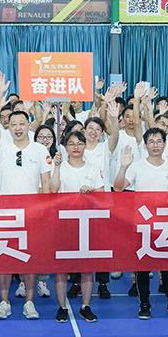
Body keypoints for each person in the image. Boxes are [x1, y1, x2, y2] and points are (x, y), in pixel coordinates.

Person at [0, 73, 50, 321]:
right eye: (14, 124)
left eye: (22, 123)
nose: (18, 127)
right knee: (4, 257)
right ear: (9, 127)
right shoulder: (2, 144)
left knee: (29, 257)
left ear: (28, 123)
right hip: (5, 210)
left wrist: (43, 212)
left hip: (32, 212)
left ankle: (29, 302)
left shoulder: (40, 149)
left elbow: (45, 186)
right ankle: (4, 302)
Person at [115, 127, 168, 320]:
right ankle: (144, 303)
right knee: (143, 267)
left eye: (159, 141)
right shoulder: (137, 166)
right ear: (145, 145)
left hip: (166, 224)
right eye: (151, 142)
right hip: (143, 224)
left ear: (165, 144)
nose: (155, 145)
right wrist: (123, 166)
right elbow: (118, 188)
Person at [51, 129, 104, 323]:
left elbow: (102, 194)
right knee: (61, 268)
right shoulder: (60, 166)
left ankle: (85, 306)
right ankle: (62, 307)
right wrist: (56, 167)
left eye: (80, 144)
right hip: (64, 223)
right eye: (71, 144)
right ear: (65, 147)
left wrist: (92, 191)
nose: (76, 147)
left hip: (87, 223)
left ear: (85, 146)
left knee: (87, 268)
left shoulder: (93, 168)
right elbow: (53, 189)